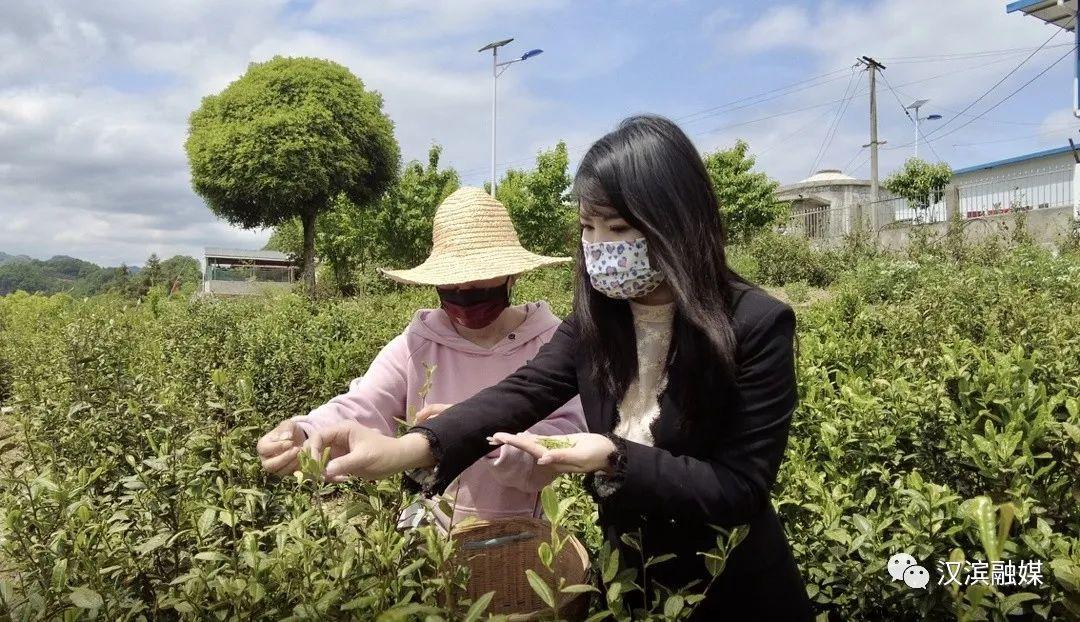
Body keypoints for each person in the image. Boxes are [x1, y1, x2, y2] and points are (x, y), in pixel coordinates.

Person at [304, 116, 813, 620]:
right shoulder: (599, 321)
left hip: (731, 591)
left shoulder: (755, 324)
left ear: (675, 223)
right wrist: (405, 449)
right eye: (588, 227)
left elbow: (739, 488)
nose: (599, 246)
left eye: (618, 227)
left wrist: (613, 457)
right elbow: (521, 392)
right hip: (631, 582)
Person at [255, 186, 587, 532]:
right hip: (430, 531)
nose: (464, 291)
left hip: (520, 531)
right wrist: (307, 432)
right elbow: (365, 402)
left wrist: (471, 433)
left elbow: (565, 433)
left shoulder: (551, 345)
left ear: (512, 275)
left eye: (478, 281)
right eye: (451, 282)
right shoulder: (418, 345)